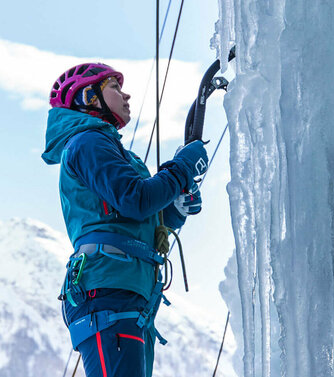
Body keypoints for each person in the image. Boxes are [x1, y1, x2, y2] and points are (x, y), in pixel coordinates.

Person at [41, 62, 208, 377]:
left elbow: (140, 217)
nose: (125, 94)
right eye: (114, 87)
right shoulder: (88, 141)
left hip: (123, 290)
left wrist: (176, 208)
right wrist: (182, 171)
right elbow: (136, 199)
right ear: (90, 97)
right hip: (109, 291)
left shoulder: (109, 150)